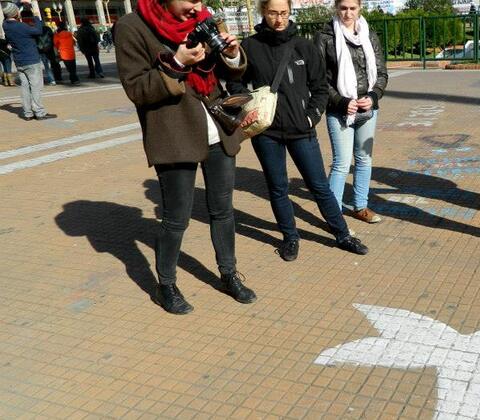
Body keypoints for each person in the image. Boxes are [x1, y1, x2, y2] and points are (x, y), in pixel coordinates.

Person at [114, 0, 256, 314]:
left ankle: (229, 273)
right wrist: (176, 62)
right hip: (174, 135)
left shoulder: (203, 19)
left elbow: (229, 69)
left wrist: (231, 53)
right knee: (177, 218)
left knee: (223, 210)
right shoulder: (132, 27)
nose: (197, 6)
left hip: (218, 128)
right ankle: (165, 285)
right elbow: (137, 89)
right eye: (190, 0)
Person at [227, 0, 369, 262]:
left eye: (283, 13)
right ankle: (290, 237)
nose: (278, 19)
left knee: (319, 187)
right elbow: (235, 84)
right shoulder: (250, 46)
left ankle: (342, 235)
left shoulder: (304, 46)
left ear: (290, 12)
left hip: (301, 130)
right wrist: (248, 108)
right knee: (278, 187)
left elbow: (321, 88)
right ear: (263, 12)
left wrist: (310, 118)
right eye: (272, 13)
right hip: (266, 132)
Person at [315, 0, 388, 224]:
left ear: (359, 9)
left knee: (364, 160)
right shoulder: (324, 36)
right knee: (342, 163)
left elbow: (382, 73)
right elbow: (317, 79)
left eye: (352, 8)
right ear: (336, 8)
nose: (348, 13)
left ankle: (360, 206)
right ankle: (333, 215)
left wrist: (373, 96)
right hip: (339, 110)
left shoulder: (369, 34)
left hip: (367, 109)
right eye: (343, 8)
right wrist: (341, 101)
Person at [2, 0, 54, 120]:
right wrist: (35, 14)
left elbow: (10, 12)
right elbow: (38, 30)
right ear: (16, 14)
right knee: (36, 87)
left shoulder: (5, 25)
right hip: (31, 60)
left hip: (19, 61)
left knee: (25, 87)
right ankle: (39, 112)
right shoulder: (21, 26)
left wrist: (20, 3)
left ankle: (27, 113)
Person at [53, 21, 79, 85]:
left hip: (63, 53)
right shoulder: (69, 33)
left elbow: (55, 45)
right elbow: (73, 42)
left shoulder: (57, 35)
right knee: (73, 67)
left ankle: (74, 79)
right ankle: (74, 79)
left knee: (69, 68)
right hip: (71, 53)